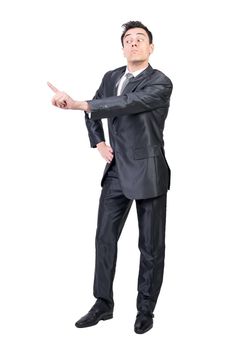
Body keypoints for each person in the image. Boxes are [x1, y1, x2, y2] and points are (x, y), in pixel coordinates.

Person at [47, 20, 173, 334]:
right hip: (116, 170)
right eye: (128, 39)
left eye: (139, 39)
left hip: (148, 172)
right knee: (104, 238)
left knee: (150, 246)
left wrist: (80, 104)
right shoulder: (111, 76)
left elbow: (127, 103)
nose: (133, 43)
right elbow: (94, 111)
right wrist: (99, 142)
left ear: (150, 47)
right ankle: (103, 303)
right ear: (122, 47)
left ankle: (145, 310)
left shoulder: (160, 82)